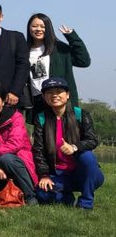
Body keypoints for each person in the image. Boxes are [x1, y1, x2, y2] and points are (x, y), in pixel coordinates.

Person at [32, 77, 105, 210]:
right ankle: (66, 198)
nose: (54, 95)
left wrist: (74, 147)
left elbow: (92, 140)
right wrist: (44, 175)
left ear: (67, 95)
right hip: (59, 174)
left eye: (59, 91)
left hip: (84, 173)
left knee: (87, 156)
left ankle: (86, 203)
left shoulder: (81, 114)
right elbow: (38, 150)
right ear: (44, 96)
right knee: (42, 193)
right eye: (49, 92)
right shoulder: (41, 118)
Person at [25, 13, 90, 121]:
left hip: (59, 99)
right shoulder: (24, 50)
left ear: (49, 28)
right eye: (34, 26)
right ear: (29, 28)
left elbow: (84, 61)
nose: (38, 29)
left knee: (64, 129)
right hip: (37, 101)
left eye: (43, 26)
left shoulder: (59, 49)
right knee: (42, 130)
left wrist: (72, 37)